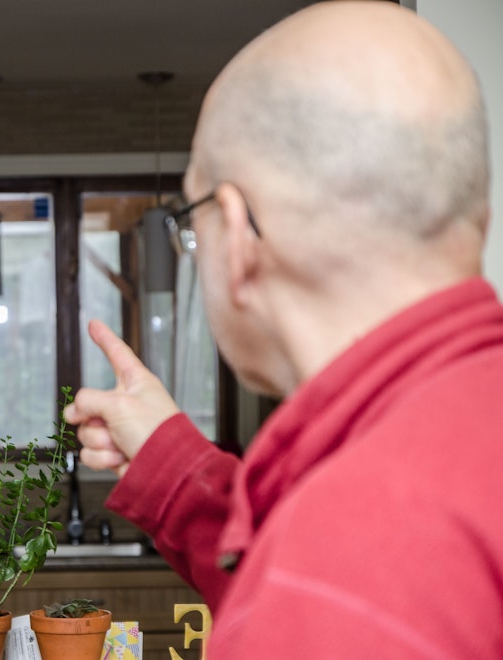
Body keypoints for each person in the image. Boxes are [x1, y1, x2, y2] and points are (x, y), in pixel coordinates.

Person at [64, 2, 503, 657]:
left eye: (192, 222)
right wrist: (171, 467)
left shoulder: (350, 549)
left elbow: (336, 583)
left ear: (239, 235)